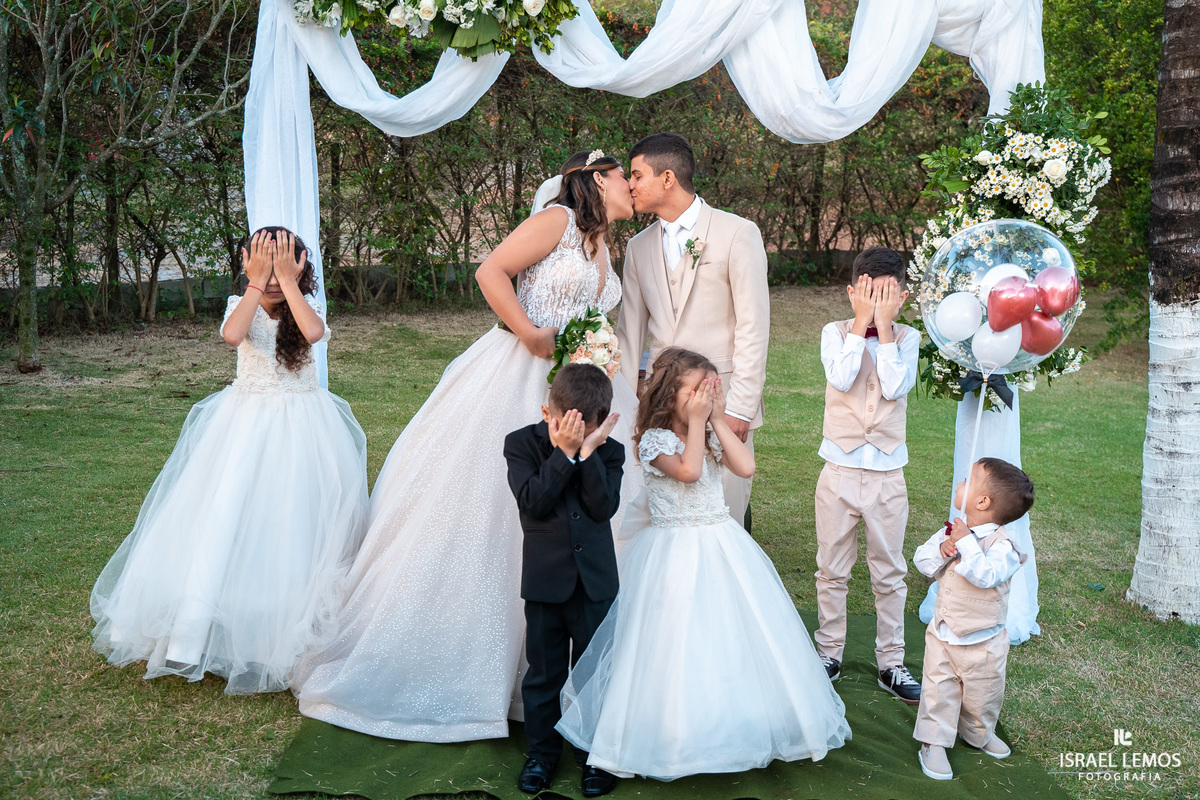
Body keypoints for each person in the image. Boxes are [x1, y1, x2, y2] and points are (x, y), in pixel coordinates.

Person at [291, 150, 642, 742]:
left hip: (577, 381)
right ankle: (480, 668)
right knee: (489, 505)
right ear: (595, 179)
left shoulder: (604, 245)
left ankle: (563, 664)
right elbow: (490, 271)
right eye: (622, 177)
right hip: (517, 371)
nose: (632, 186)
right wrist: (530, 333)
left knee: (580, 509)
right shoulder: (556, 220)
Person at [89, 228, 370, 694]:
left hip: (302, 426)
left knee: (289, 524)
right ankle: (194, 631)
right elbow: (232, 334)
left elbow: (314, 333)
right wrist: (258, 281)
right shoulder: (241, 301)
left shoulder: (308, 305)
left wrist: (287, 280)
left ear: (301, 264)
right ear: (244, 262)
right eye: (262, 260)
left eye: (284, 262)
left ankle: (280, 634)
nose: (275, 274)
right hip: (244, 424)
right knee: (225, 517)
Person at [556, 348, 851, 781]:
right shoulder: (656, 440)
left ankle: (729, 723)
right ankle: (666, 733)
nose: (703, 397)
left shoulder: (709, 430)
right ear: (669, 393)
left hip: (720, 543)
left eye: (709, 390)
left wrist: (713, 419)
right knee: (669, 641)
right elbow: (690, 471)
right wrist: (698, 422)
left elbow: (746, 466)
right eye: (696, 390)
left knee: (726, 635)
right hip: (672, 552)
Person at [615, 133, 769, 530]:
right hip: (660, 403)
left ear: (668, 178)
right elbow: (629, 331)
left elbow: (754, 326)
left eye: (636, 174)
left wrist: (740, 408)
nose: (629, 185)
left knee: (724, 512)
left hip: (722, 399)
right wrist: (631, 402)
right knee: (662, 511)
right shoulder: (638, 246)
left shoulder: (737, 232)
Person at [503, 364, 624, 797]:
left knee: (593, 674)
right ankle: (542, 754)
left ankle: (593, 754)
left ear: (601, 423)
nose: (574, 432)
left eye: (584, 430)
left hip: (594, 584)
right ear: (546, 411)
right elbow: (534, 501)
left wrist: (587, 453)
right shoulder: (521, 444)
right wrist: (563, 454)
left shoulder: (610, 451)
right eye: (565, 425)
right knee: (544, 673)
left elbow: (601, 507)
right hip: (545, 583)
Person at [813, 246, 922, 704]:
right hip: (838, 469)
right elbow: (840, 378)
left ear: (903, 297)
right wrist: (861, 324)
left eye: (886, 296)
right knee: (831, 569)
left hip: (886, 476)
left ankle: (891, 663)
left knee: (889, 572)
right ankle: (828, 652)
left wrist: (887, 330)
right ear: (852, 293)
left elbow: (896, 386)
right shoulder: (834, 332)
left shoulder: (909, 339)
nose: (877, 305)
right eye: (868, 295)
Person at [911, 457, 1034, 780]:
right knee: (938, 689)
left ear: (982, 501)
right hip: (944, 633)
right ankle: (933, 742)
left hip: (984, 641)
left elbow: (985, 575)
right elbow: (921, 560)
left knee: (984, 694)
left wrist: (965, 541)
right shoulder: (952, 530)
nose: (959, 484)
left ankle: (978, 732)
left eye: (967, 481)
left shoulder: (1003, 547)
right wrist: (942, 548)